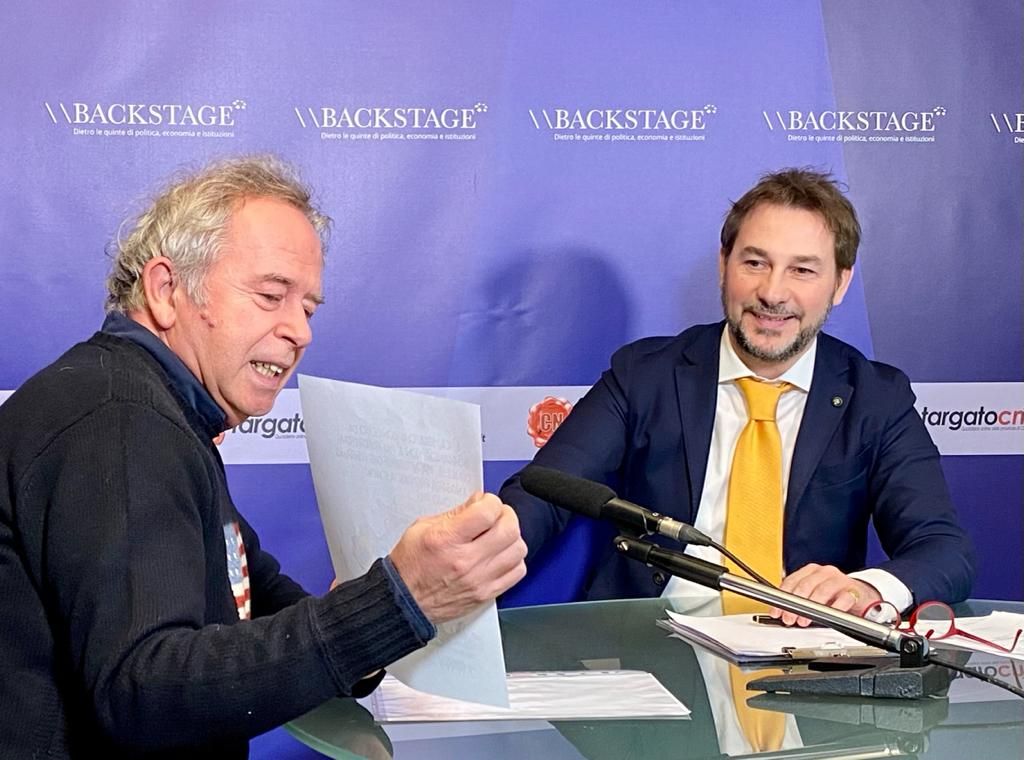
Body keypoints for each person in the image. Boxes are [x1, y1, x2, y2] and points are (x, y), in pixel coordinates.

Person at [0, 155, 527, 758]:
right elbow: (144, 691)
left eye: (307, 309)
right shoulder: (121, 419)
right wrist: (397, 599)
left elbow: (253, 590)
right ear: (167, 290)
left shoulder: (156, 408)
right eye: (271, 295)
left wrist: (379, 611)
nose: (300, 332)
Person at [500, 168, 973, 623]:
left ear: (840, 283)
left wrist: (866, 589)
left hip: (804, 649)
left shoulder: (876, 398)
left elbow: (943, 549)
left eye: (802, 270)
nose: (773, 292)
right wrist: (492, 542)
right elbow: (545, 491)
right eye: (755, 263)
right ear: (724, 266)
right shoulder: (644, 375)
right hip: (650, 644)